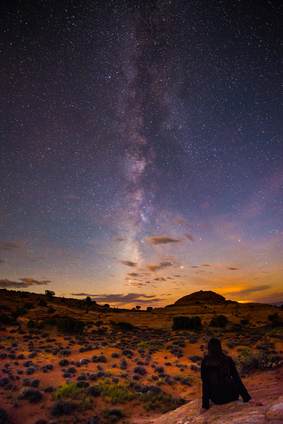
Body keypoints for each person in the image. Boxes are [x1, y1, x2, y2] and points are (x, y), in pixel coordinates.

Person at [200, 338, 256, 413]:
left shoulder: (205, 362)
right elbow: (237, 379)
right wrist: (247, 397)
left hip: (217, 398)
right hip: (232, 395)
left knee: (209, 384)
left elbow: (205, 384)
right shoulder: (227, 359)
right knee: (232, 380)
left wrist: (205, 405)